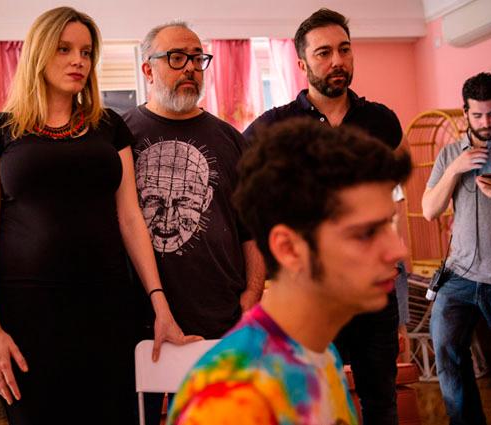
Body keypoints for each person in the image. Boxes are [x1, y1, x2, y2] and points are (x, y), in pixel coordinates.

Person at [0, 7, 196, 424]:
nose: (78, 61)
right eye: (64, 49)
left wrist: (160, 305)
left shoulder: (109, 126)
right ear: (38, 54)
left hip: (108, 309)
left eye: (87, 52)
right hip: (27, 316)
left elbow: (130, 219)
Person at [167, 118, 411, 425]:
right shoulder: (230, 400)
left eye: (389, 224)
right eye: (365, 233)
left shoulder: (319, 352)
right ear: (289, 249)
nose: (398, 251)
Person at [244, 8, 404, 424]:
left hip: (373, 290)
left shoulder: (381, 121)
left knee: (381, 402)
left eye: (344, 50)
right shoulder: (275, 126)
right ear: (301, 64)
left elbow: (391, 195)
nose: (337, 61)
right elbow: (244, 191)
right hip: (309, 293)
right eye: (324, 53)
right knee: (311, 406)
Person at [122, 21, 265, 423]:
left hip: (219, 321)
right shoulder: (120, 136)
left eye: (197, 58)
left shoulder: (231, 140)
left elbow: (251, 229)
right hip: (139, 323)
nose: (190, 67)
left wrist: (252, 295)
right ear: (148, 69)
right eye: (176, 58)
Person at [422, 72, 491, 424]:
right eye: (478, 115)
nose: (486, 123)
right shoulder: (449, 154)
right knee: (447, 354)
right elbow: (429, 210)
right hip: (458, 276)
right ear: (465, 113)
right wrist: (454, 169)